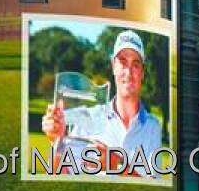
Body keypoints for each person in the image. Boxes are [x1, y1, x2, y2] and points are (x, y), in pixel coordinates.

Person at [41, 30, 163, 174]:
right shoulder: (86, 118)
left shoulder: (152, 127)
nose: (128, 72)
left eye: (135, 64)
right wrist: (57, 141)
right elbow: (60, 177)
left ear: (142, 72)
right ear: (113, 66)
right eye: (123, 62)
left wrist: (117, 164)